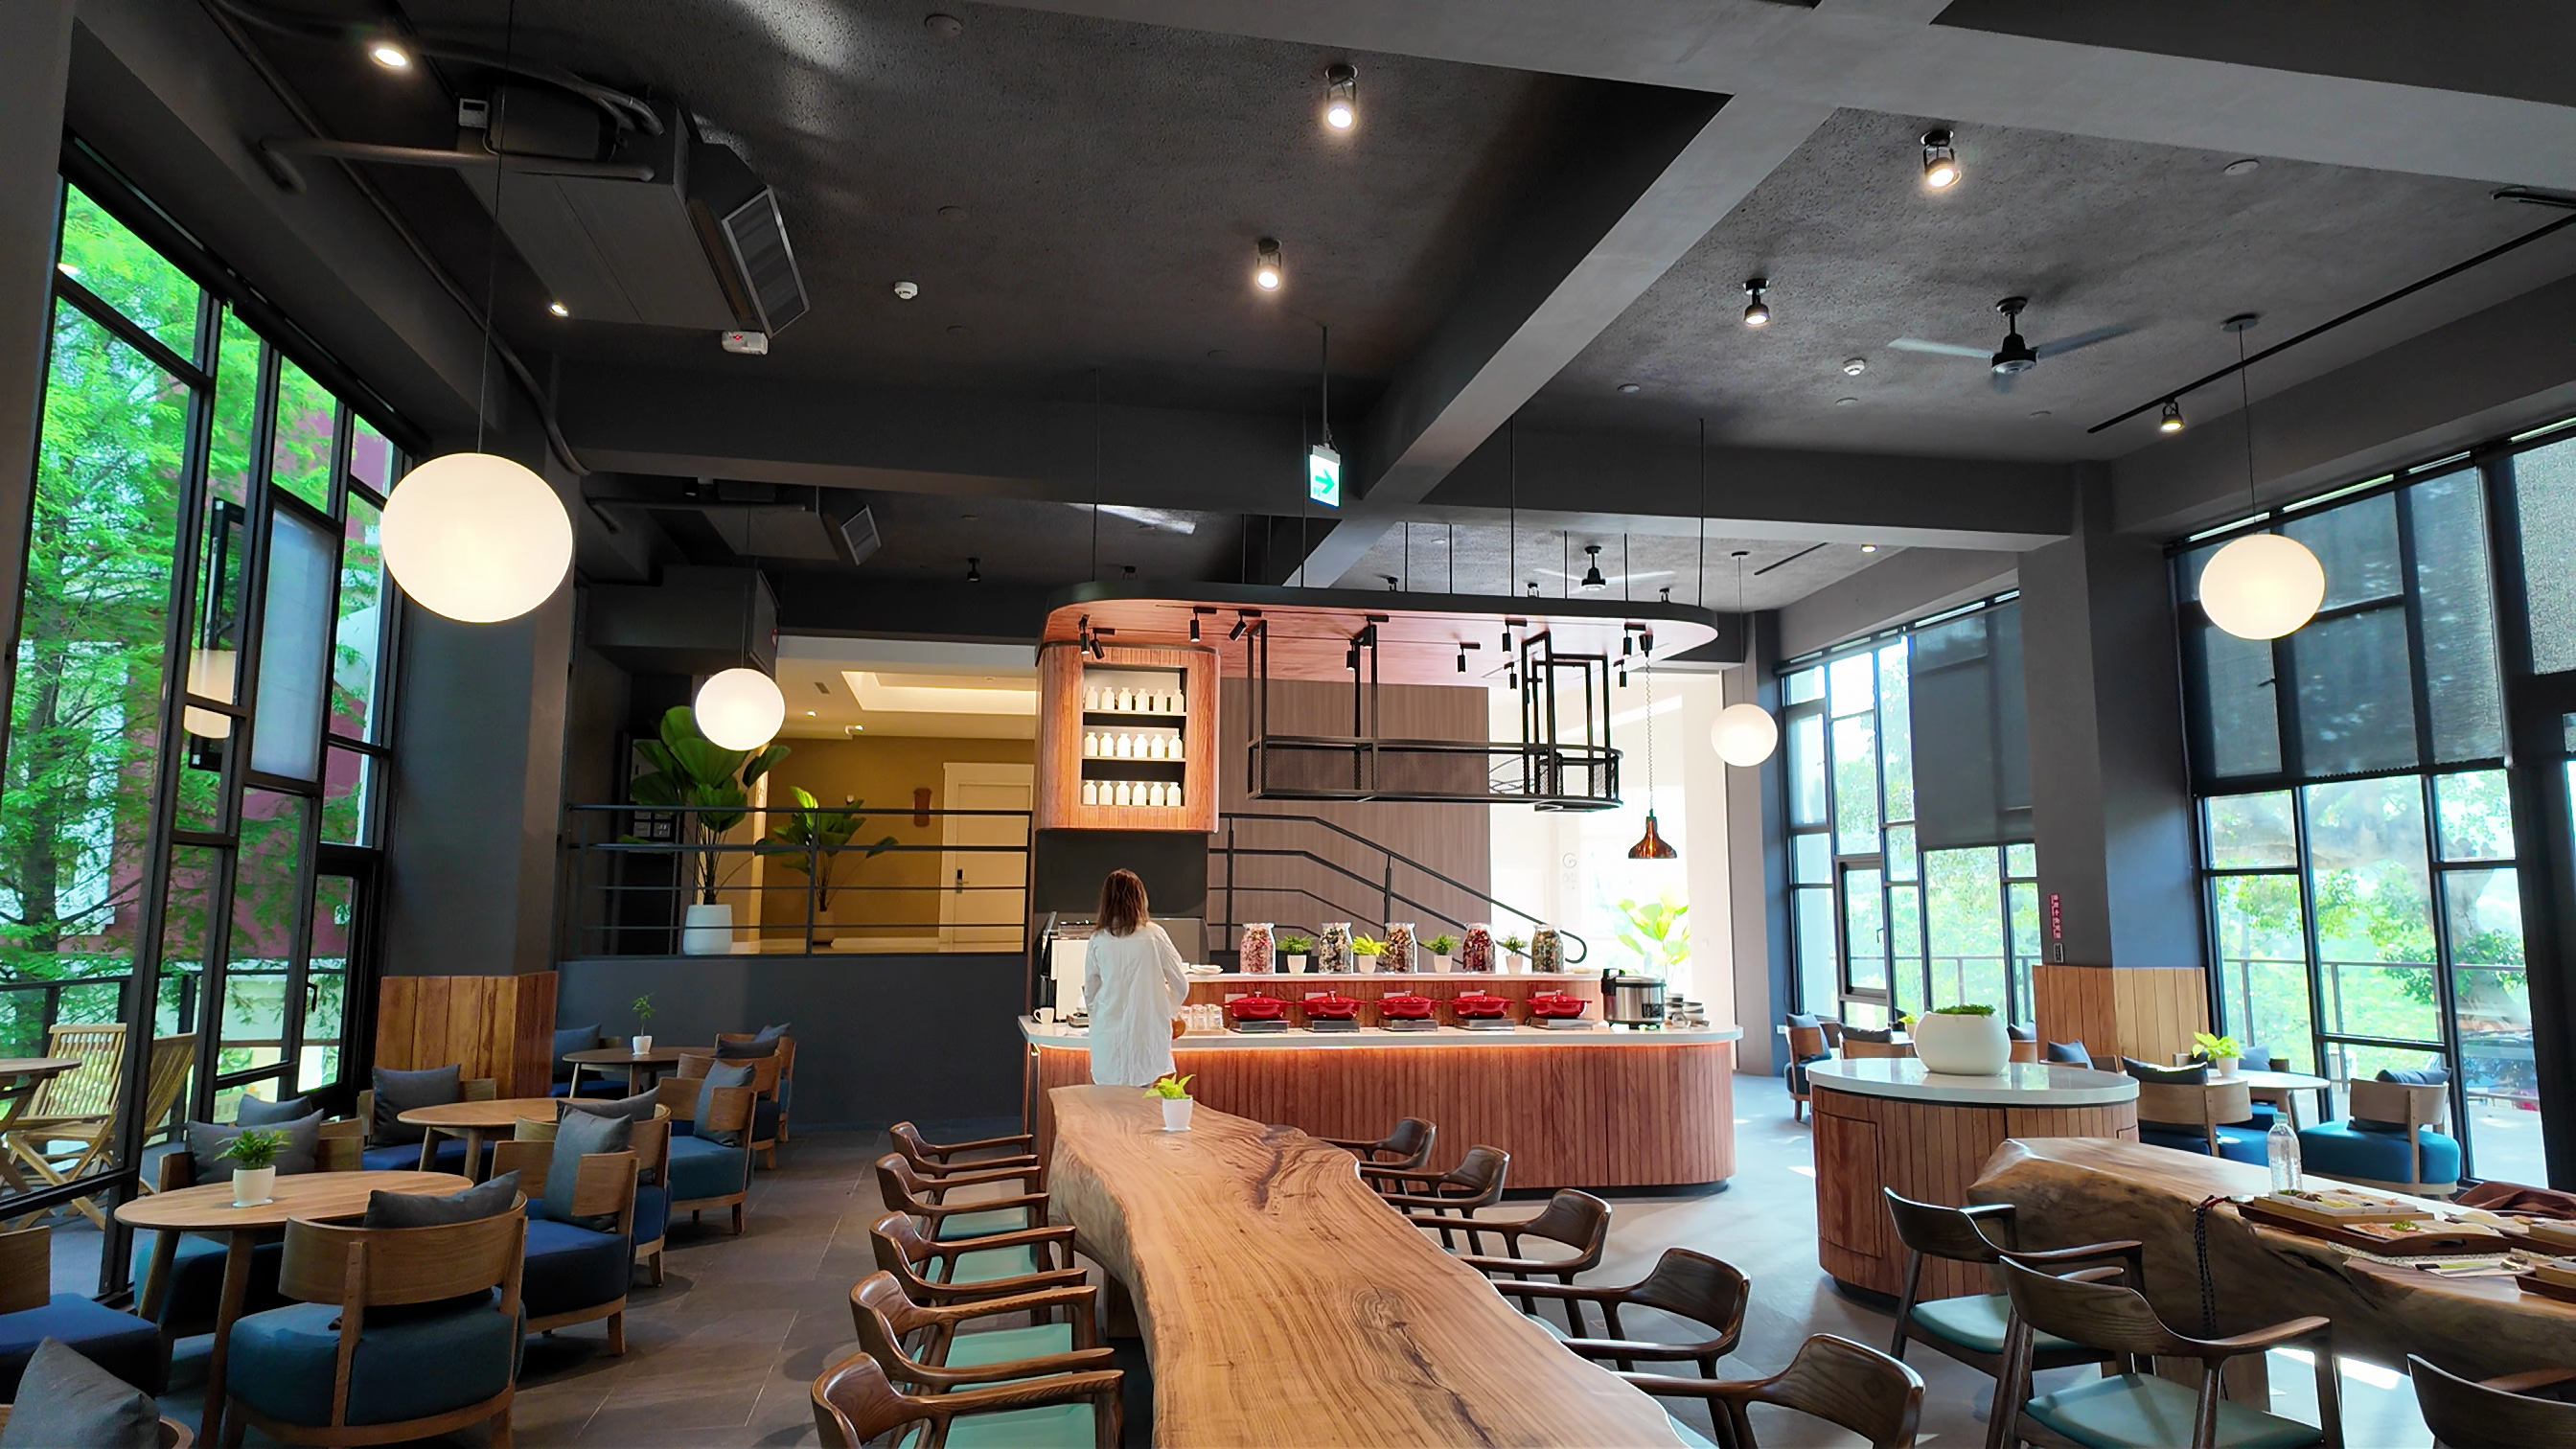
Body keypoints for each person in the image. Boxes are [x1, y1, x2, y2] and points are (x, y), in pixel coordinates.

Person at [1082, 868, 1190, 1087]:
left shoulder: (1098, 939)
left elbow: (1091, 991)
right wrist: (1164, 1007)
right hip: (1146, 1033)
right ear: (1140, 898)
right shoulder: (1154, 935)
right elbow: (1180, 984)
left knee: (1107, 1101)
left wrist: (1098, 1016)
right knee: (1142, 1099)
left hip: (1108, 1035)